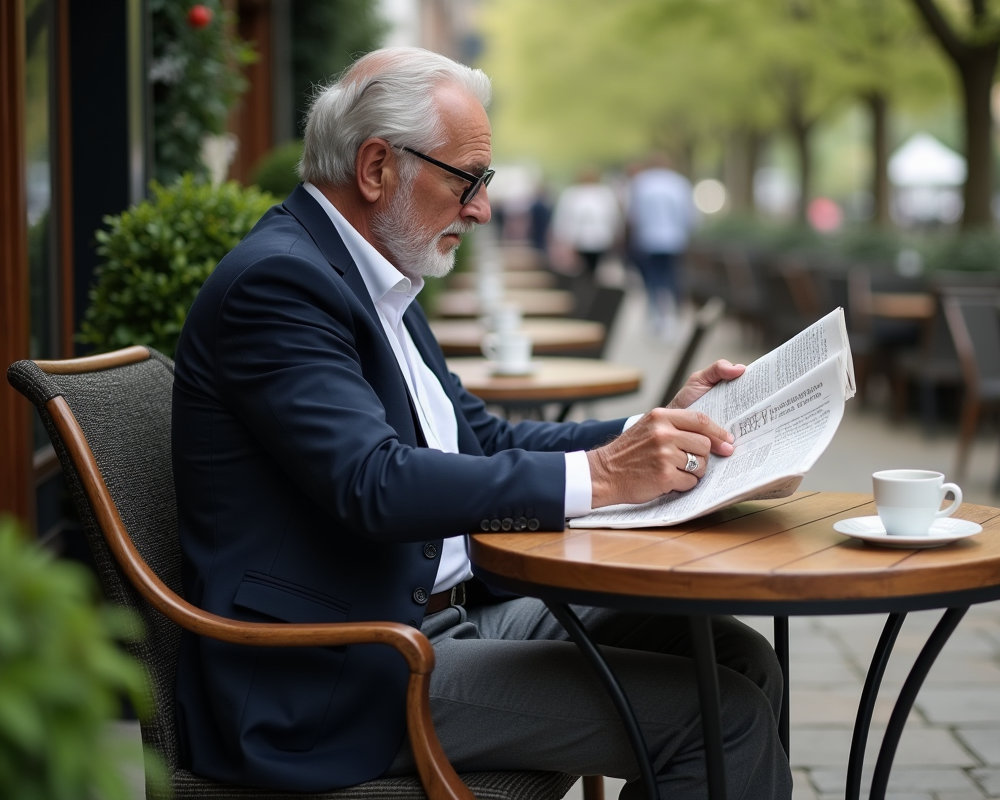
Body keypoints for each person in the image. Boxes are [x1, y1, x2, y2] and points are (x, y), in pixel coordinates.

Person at [171, 46, 791, 800]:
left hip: (443, 619)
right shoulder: (280, 284)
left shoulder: (375, 276)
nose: (482, 208)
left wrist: (653, 429)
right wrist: (604, 476)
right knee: (722, 717)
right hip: (341, 668)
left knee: (739, 659)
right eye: (467, 179)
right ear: (377, 168)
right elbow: (373, 483)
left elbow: (485, 441)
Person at [627, 153, 696, 338]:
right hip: (674, 239)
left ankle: (656, 315)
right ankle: (671, 316)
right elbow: (688, 215)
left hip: (649, 239)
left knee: (652, 278)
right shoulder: (679, 183)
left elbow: (633, 215)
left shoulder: (641, 183)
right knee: (672, 277)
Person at [550, 166, 624, 278]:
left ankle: (588, 280)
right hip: (595, 237)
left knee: (586, 266)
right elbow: (614, 217)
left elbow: (563, 217)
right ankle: (590, 279)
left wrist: (561, 236)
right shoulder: (604, 194)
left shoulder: (573, 193)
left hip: (584, 237)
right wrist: (617, 233)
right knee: (589, 264)